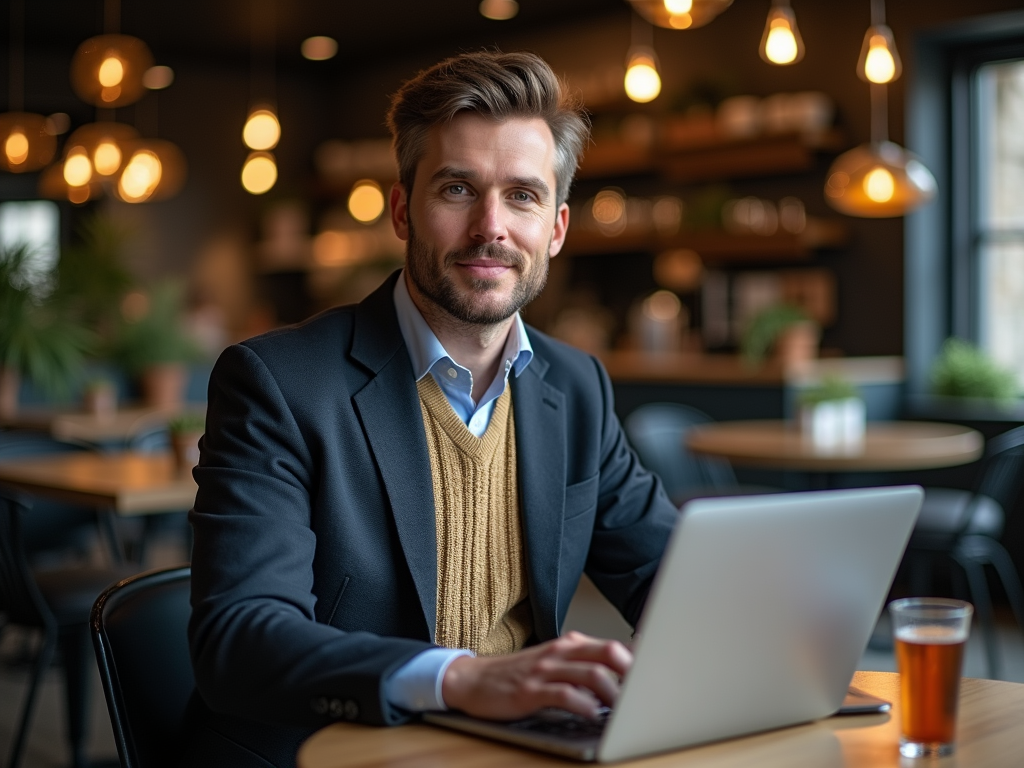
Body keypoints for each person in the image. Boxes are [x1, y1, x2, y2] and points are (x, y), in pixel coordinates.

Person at [183, 50, 678, 767]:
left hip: (516, 752)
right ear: (401, 210)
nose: (491, 227)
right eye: (456, 189)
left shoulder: (576, 388)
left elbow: (669, 572)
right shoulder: (277, 383)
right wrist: (462, 680)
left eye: (523, 196)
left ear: (558, 228)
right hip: (327, 752)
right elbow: (238, 639)